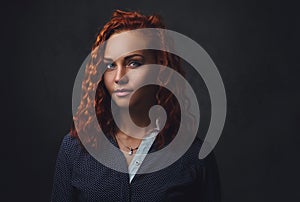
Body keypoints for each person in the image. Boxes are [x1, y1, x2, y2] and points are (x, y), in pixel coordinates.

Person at [51, 9, 221, 202]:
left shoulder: (193, 155)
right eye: (110, 65)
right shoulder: (75, 149)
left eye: (133, 63)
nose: (118, 77)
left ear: (160, 67)